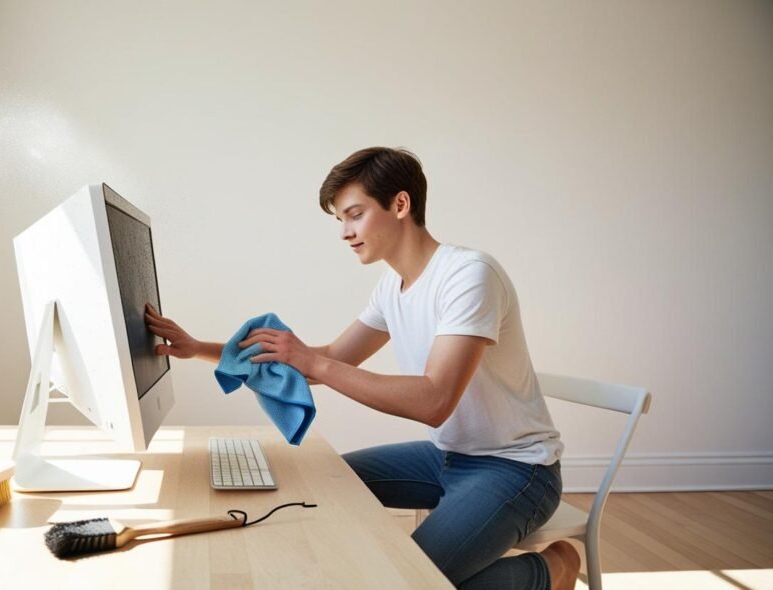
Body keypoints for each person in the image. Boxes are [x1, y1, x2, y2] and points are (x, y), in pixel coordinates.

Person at [144, 146, 581, 590]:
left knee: (404, 580)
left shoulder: (469, 275)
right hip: (446, 457)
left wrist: (311, 359)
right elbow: (329, 360)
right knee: (317, 489)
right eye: (340, 220)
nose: (345, 232)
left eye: (354, 214)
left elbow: (434, 401)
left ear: (400, 204)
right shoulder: (392, 286)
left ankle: (550, 570)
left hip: (517, 469)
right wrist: (198, 348)